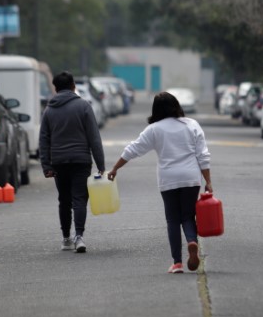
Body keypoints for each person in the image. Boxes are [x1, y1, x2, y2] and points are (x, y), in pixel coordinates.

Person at [108, 92, 212, 274]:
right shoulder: (192, 125)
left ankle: (177, 263)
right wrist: (208, 181)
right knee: (188, 216)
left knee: (172, 219)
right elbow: (203, 155)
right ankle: (191, 241)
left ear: (156, 110)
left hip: (168, 178)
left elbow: (133, 149)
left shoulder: (155, 129)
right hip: (191, 178)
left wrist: (115, 168)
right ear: (176, 105)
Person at [39, 71, 105, 253]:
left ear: (56, 88)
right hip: (81, 160)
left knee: (64, 200)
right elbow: (94, 138)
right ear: (73, 86)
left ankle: (66, 238)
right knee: (79, 199)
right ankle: (79, 237)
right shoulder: (83, 106)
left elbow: (44, 140)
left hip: (59, 161)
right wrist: (101, 165)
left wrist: (46, 165)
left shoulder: (49, 110)